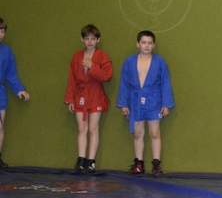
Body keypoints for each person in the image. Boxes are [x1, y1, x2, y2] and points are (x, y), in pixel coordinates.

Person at [117, 30, 174, 175]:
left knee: (154, 133)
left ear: (153, 45)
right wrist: (123, 103)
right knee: (138, 134)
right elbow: (124, 83)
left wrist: (166, 104)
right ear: (138, 44)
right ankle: (139, 164)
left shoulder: (160, 61)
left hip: (154, 101)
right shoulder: (129, 61)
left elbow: (165, 83)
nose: (147, 46)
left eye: (150, 43)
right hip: (136, 101)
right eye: (143, 42)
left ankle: (156, 164)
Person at [64, 24, 114, 174]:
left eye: (93, 38)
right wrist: (70, 99)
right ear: (82, 39)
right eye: (87, 38)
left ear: (98, 40)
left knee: (93, 128)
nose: (90, 41)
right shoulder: (76, 57)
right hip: (80, 95)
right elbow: (72, 79)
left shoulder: (102, 56)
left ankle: (91, 161)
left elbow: (107, 76)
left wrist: (92, 66)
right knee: (82, 128)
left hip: (95, 94)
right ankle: (81, 160)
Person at [0, 18, 30, 169]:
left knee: (0, 127)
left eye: (2, 31)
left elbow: (11, 74)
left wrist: (19, 89)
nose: (0, 34)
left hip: (0, 94)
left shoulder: (6, 51)